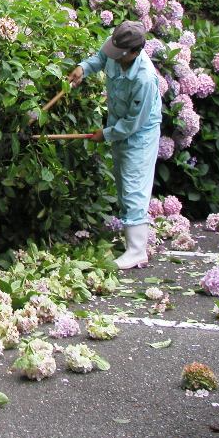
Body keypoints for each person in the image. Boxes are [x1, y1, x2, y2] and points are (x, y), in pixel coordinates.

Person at [67, 20, 162, 269]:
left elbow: (134, 123)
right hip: (120, 122)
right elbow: (100, 58)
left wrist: (106, 133)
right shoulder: (116, 49)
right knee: (122, 179)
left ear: (135, 52)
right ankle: (132, 241)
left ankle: (137, 250)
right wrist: (83, 68)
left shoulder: (144, 79)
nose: (115, 57)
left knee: (134, 184)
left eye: (120, 55)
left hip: (139, 131)